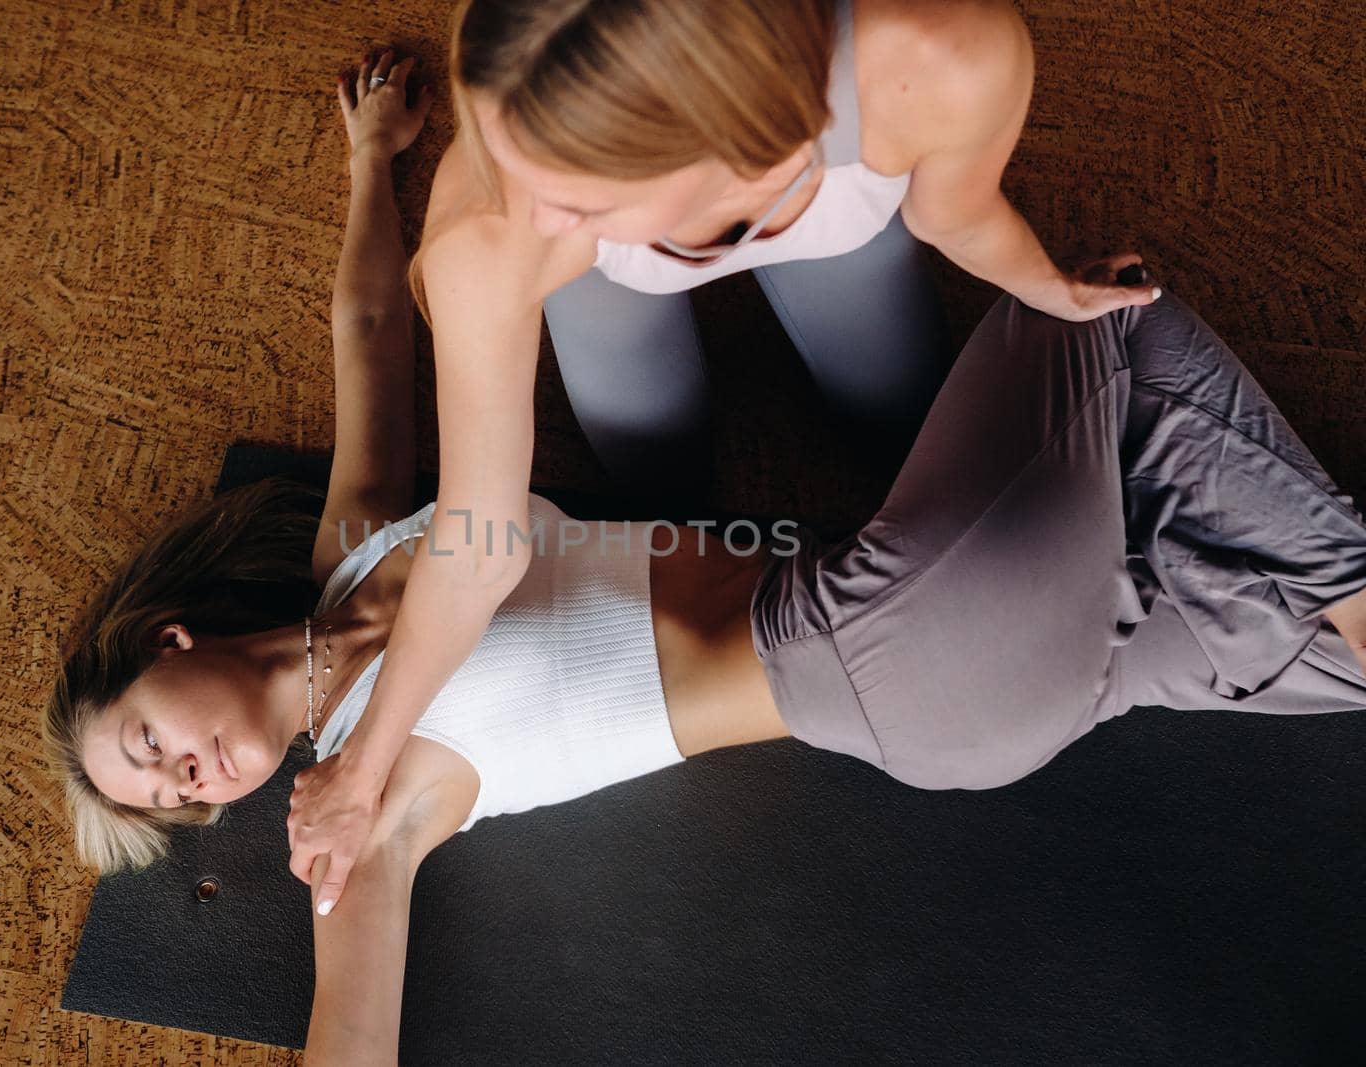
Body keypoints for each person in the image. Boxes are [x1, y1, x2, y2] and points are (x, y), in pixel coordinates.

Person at [45, 53, 1366, 1063]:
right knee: (1100, 314)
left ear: (171, 644)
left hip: (953, 634)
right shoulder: (357, 823)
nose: (187, 778)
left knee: (1256, 613)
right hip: (875, 651)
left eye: (147, 742)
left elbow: (371, 327)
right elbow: (351, 1035)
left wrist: (367, 166)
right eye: (171, 800)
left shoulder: (351, 545)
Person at [286, 0, 1171, 904]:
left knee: (903, 413)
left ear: (727, 147)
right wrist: (362, 766)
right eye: (506, 158)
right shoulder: (501, 222)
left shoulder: (938, 57)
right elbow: (476, 546)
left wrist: (1050, 286)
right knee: (651, 479)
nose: (523, 210)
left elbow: (961, 213)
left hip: (823, 195)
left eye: (573, 189)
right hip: (609, 272)